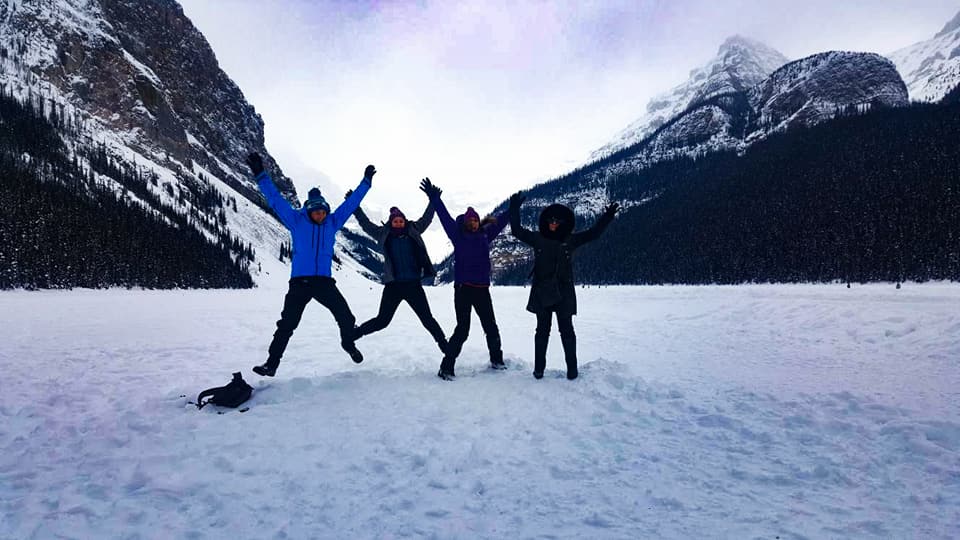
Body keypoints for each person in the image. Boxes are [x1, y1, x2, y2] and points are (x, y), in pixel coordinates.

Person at [245, 152, 374, 376]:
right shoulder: (296, 220)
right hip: (300, 283)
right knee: (287, 324)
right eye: (317, 211)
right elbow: (274, 199)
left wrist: (366, 183)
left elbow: (351, 204)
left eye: (323, 211)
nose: (321, 215)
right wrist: (260, 174)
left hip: (324, 281)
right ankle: (271, 363)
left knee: (345, 316)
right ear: (309, 210)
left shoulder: (332, 223)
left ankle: (348, 344)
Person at [508, 191, 619, 380]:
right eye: (550, 220)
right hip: (543, 291)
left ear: (563, 223)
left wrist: (607, 217)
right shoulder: (538, 238)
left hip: (564, 292)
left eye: (557, 221)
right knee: (542, 331)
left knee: (567, 331)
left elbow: (593, 234)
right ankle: (539, 370)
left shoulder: (570, 240)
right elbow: (517, 231)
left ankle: (572, 371)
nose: (553, 224)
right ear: (545, 221)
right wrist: (514, 209)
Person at [421, 178, 509, 381]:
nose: (473, 223)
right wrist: (435, 199)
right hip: (463, 289)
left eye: (475, 220)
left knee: (491, 325)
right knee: (463, 329)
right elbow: (444, 217)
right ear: (466, 222)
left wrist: (511, 210)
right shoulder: (458, 235)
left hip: (482, 289)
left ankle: (497, 360)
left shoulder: (485, 234)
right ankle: (446, 367)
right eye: (470, 220)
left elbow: (501, 222)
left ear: (479, 222)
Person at [348, 183, 448, 354]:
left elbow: (427, 218)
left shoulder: (414, 229)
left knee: (427, 319)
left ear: (404, 221)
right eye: (396, 221)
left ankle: (444, 346)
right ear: (391, 222)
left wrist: (433, 200)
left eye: (401, 220)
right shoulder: (383, 233)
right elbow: (365, 224)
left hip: (413, 285)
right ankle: (355, 334)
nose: (399, 223)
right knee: (382, 321)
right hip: (393, 286)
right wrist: (355, 207)